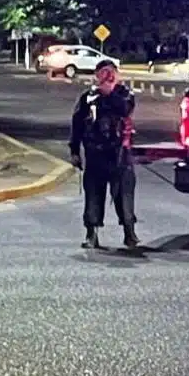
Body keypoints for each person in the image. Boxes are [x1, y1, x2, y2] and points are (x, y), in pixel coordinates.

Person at [69, 59, 138, 249]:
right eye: (103, 73)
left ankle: (129, 233)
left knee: (124, 195)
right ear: (96, 75)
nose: (107, 77)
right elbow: (77, 125)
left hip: (120, 154)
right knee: (93, 196)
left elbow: (125, 110)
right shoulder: (88, 98)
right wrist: (74, 151)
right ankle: (92, 234)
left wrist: (110, 92)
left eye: (111, 73)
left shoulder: (125, 95)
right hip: (95, 155)